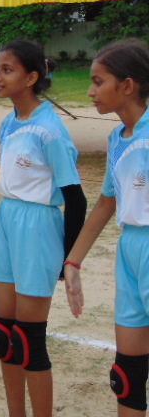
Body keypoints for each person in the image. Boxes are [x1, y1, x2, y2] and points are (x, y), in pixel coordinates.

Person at [0, 40, 86, 417]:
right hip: (8, 220)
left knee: (29, 341)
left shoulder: (50, 130)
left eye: (7, 70)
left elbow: (76, 198)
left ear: (31, 77)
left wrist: (69, 257)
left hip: (39, 226)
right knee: (4, 336)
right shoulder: (8, 122)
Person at [65, 41, 149, 416]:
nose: (90, 91)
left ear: (127, 85)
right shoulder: (118, 138)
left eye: (98, 82)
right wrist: (74, 262)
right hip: (130, 251)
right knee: (126, 375)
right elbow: (106, 203)